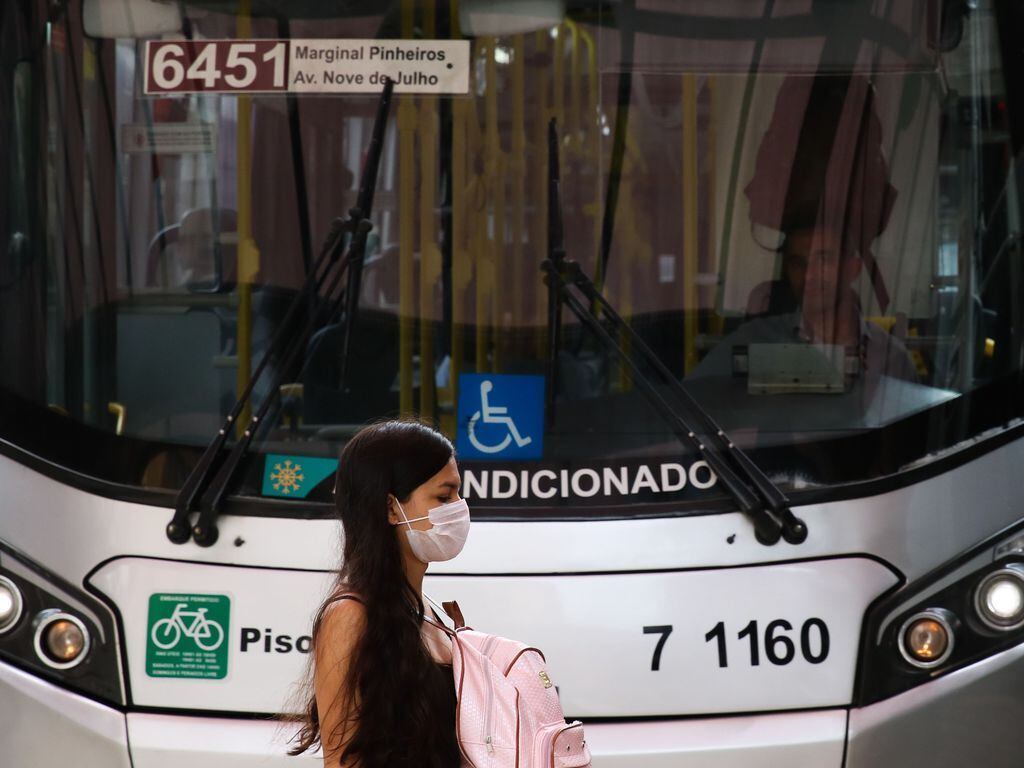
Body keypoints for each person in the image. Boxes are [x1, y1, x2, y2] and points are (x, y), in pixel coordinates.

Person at [289, 420, 470, 767]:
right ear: (390, 508)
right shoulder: (351, 616)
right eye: (444, 496)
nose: (458, 508)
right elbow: (344, 760)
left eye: (458, 494)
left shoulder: (429, 611)